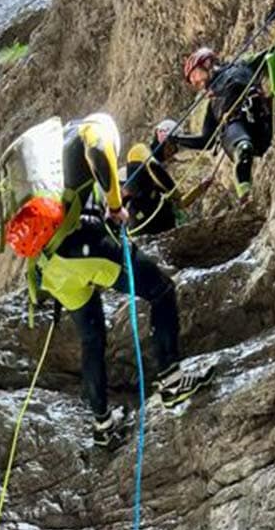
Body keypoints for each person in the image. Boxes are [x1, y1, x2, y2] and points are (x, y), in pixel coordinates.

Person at [35, 113, 209, 449]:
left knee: (92, 338)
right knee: (161, 290)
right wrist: (115, 207)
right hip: (83, 245)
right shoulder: (93, 128)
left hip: (52, 268)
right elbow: (99, 151)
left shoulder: (50, 167)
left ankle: (103, 424)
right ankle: (172, 380)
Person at [175, 46, 275, 201]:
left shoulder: (241, 66)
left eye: (194, 74)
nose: (194, 82)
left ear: (207, 63)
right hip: (236, 129)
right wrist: (176, 139)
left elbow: (272, 51)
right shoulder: (213, 105)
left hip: (262, 121)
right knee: (243, 149)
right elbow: (206, 141)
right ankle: (245, 195)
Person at [121, 120, 212, 238]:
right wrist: (176, 193)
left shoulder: (158, 176)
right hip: (140, 219)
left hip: (156, 223)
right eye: (172, 146)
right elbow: (153, 167)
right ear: (160, 136)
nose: (172, 152)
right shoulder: (139, 151)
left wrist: (200, 189)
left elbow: (180, 203)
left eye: (175, 149)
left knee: (167, 207)